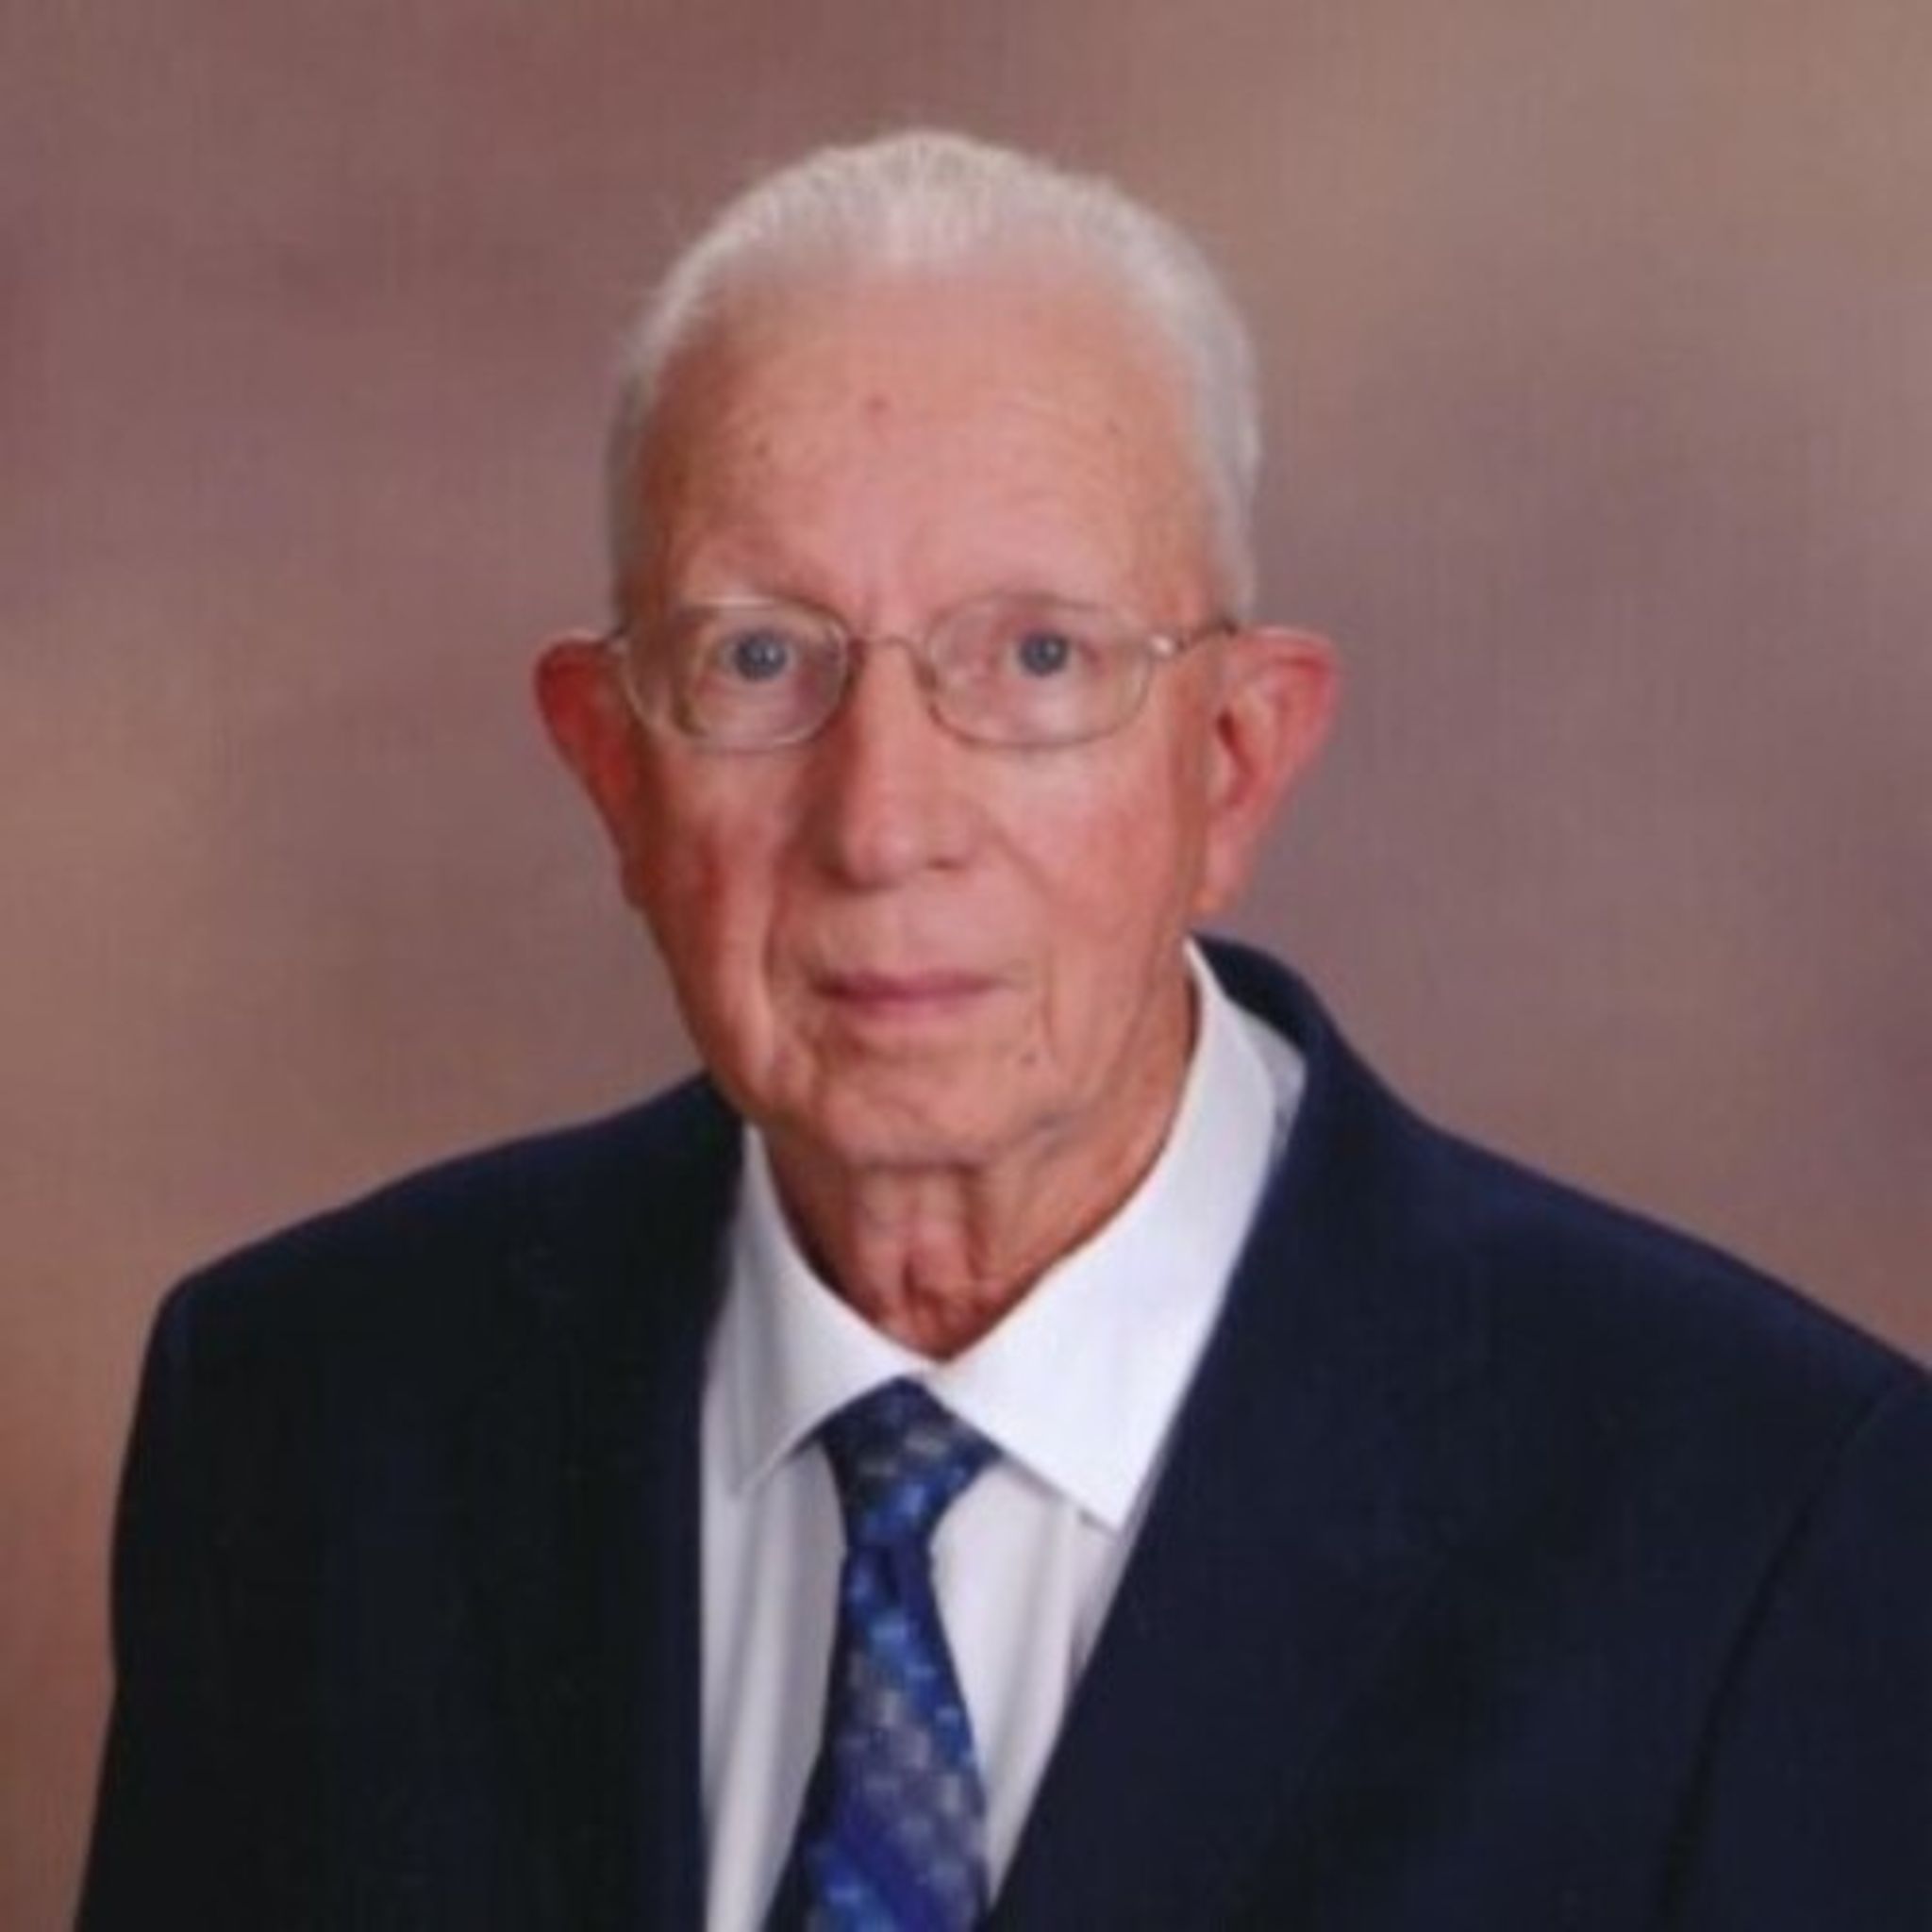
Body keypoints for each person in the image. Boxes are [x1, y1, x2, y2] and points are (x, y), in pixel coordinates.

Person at [81, 130, 1927, 1931]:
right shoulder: (304, 1425)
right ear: (612, 766)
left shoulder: (1760, 1521)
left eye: (1037, 658)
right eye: (757, 658)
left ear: (1233, 762)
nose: (884, 823)